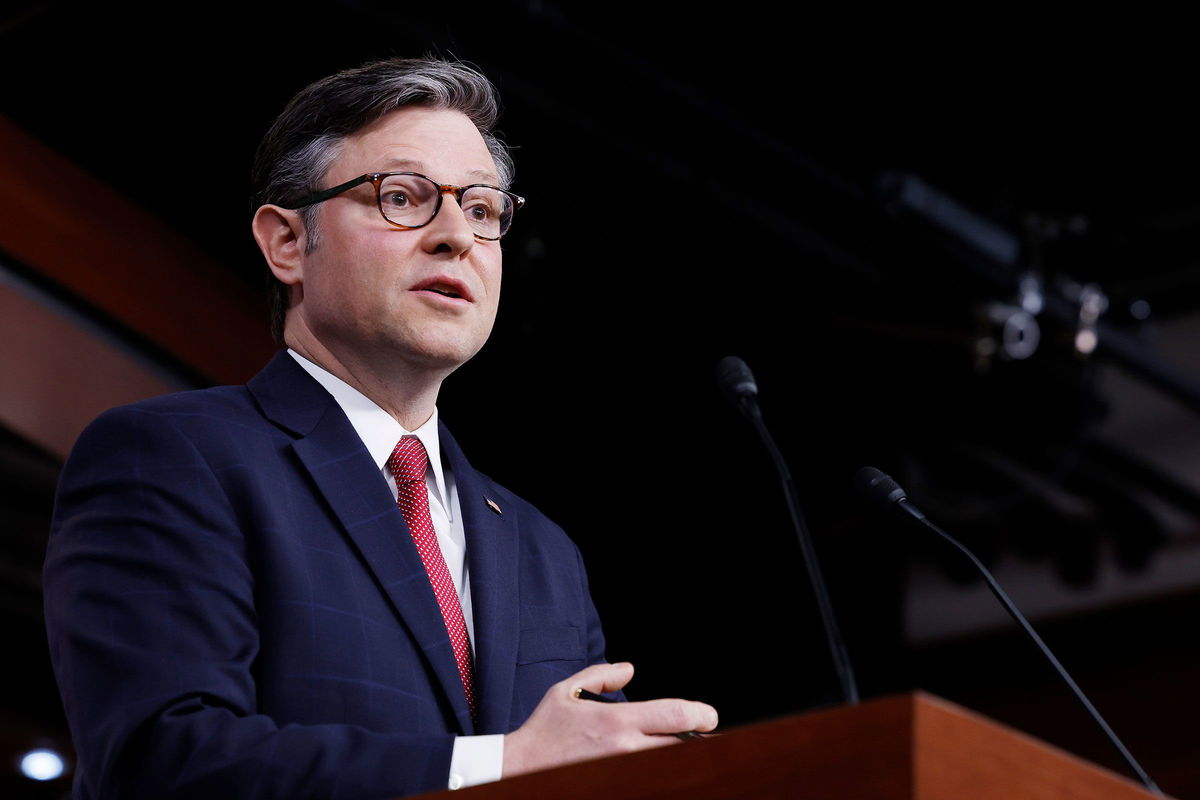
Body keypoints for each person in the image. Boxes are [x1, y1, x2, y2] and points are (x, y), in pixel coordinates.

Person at [43, 58, 717, 800]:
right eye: (402, 198)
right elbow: (160, 760)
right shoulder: (176, 455)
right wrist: (499, 767)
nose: (456, 235)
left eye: (484, 209)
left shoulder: (541, 551)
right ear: (287, 245)